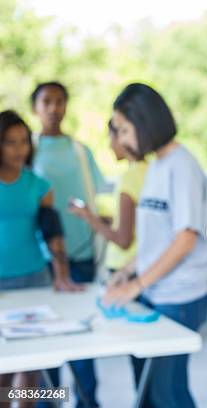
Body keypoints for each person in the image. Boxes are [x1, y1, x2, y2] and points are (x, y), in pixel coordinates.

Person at [103, 83, 207, 408]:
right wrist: (126, 271)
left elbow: (184, 238)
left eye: (124, 129)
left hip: (180, 296)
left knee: (168, 393)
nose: (121, 139)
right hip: (156, 292)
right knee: (150, 390)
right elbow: (157, 239)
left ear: (144, 121)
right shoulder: (156, 166)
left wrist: (136, 284)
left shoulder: (182, 165)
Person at [30, 81, 104, 408]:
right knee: (45, 343)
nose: (53, 108)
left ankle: (88, 402)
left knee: (82, 342)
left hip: (82, 254)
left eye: (60, 101)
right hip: (42, 258)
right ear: (36, 107)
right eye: (46, 101)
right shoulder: (26, 150)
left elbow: (96, 197)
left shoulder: (80, 151)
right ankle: (50, 403)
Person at [0, 109, 80, 406]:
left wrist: (62, 276)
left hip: (35, 278)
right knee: (3, 372)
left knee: (31, 365)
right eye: (10, 142)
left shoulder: (38, 185)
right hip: (1, 286)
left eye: (24, 141)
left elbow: (52, 234)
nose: (19, 149)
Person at [70, 120, 148, 275]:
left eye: (110, 138)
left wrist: (89, 217)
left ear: (123, 136)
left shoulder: (128, 178)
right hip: (143, 263)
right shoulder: (150, 170)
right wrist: (107, 220)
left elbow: (123, 240)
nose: (109, 145)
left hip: (124, 268)